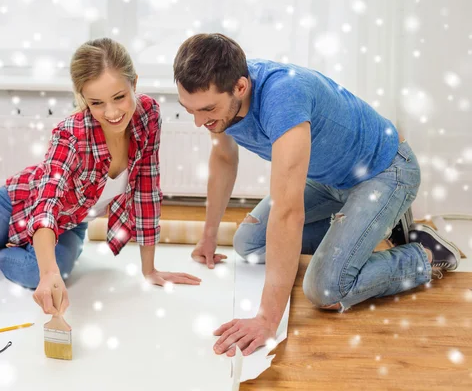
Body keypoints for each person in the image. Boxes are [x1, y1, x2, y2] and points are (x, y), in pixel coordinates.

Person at [173, 33, 461, 357]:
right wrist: (209, 235)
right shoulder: (222, 103)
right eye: (190, 110)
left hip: (385, 172)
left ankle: (424, 253)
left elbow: (288, 213)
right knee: (249, 245)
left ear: (240, 87)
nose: (199, 122)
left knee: (326, 289)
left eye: (207, 109)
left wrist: (267, 319)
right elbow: (224, 159)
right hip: (329, 179)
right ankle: (374, 227)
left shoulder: (283, 97)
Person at [0, 37, 200, 315]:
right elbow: (45, 206)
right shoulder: (70, 133)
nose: (112, 112)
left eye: (119, 97)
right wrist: (49, 273)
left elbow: (146, 187)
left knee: (37, 272)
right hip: (15, 202)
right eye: (97, 103)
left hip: (70, 222)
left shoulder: (149, 116)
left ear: (135, 84)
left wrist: (149, 269)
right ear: (82, 97)